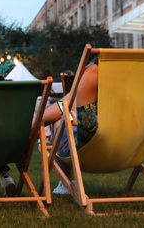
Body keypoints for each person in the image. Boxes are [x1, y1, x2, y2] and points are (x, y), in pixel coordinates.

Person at [39, 61, 98, 195]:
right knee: (65, 107)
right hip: (129, 149)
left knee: (60, 121)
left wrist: (73, 119)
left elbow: (88, 127)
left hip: (89, 148)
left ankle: (66, 183)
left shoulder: (92, 73)